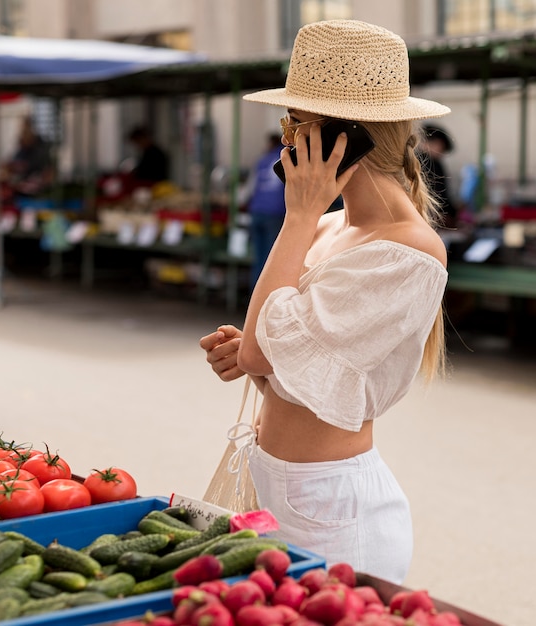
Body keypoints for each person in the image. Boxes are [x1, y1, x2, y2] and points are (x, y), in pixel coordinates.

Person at [199, 19, 451, 584]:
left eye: (295, 123)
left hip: (332, 507)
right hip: (273, 482)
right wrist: (249, 357)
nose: (285, 140)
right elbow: (285, 365)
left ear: (343, 139)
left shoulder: (408, 250)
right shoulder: (327, 226)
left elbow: (265, 351)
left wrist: (298, 214)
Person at [244, 133, 286, 290]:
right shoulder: (288, 156)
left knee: (258, 258)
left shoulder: (262, 159)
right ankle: (265, 297)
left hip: (257, 211)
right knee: (270, 260)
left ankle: (254, 295)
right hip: (275, 214)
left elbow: (249, 189)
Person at [419, 124, 458, 228]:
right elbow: (439, 194)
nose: (441, 152)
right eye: (440, 146)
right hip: (431, 218)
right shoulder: (431, 163)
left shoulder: (416, 160)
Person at [3, 116, 52, 197]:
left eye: (25, 128)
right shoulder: (23, 148)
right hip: (23, 187)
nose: (23, 132)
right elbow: (16, 161)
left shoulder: (40, 148)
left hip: (37, 188)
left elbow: (38, 166)